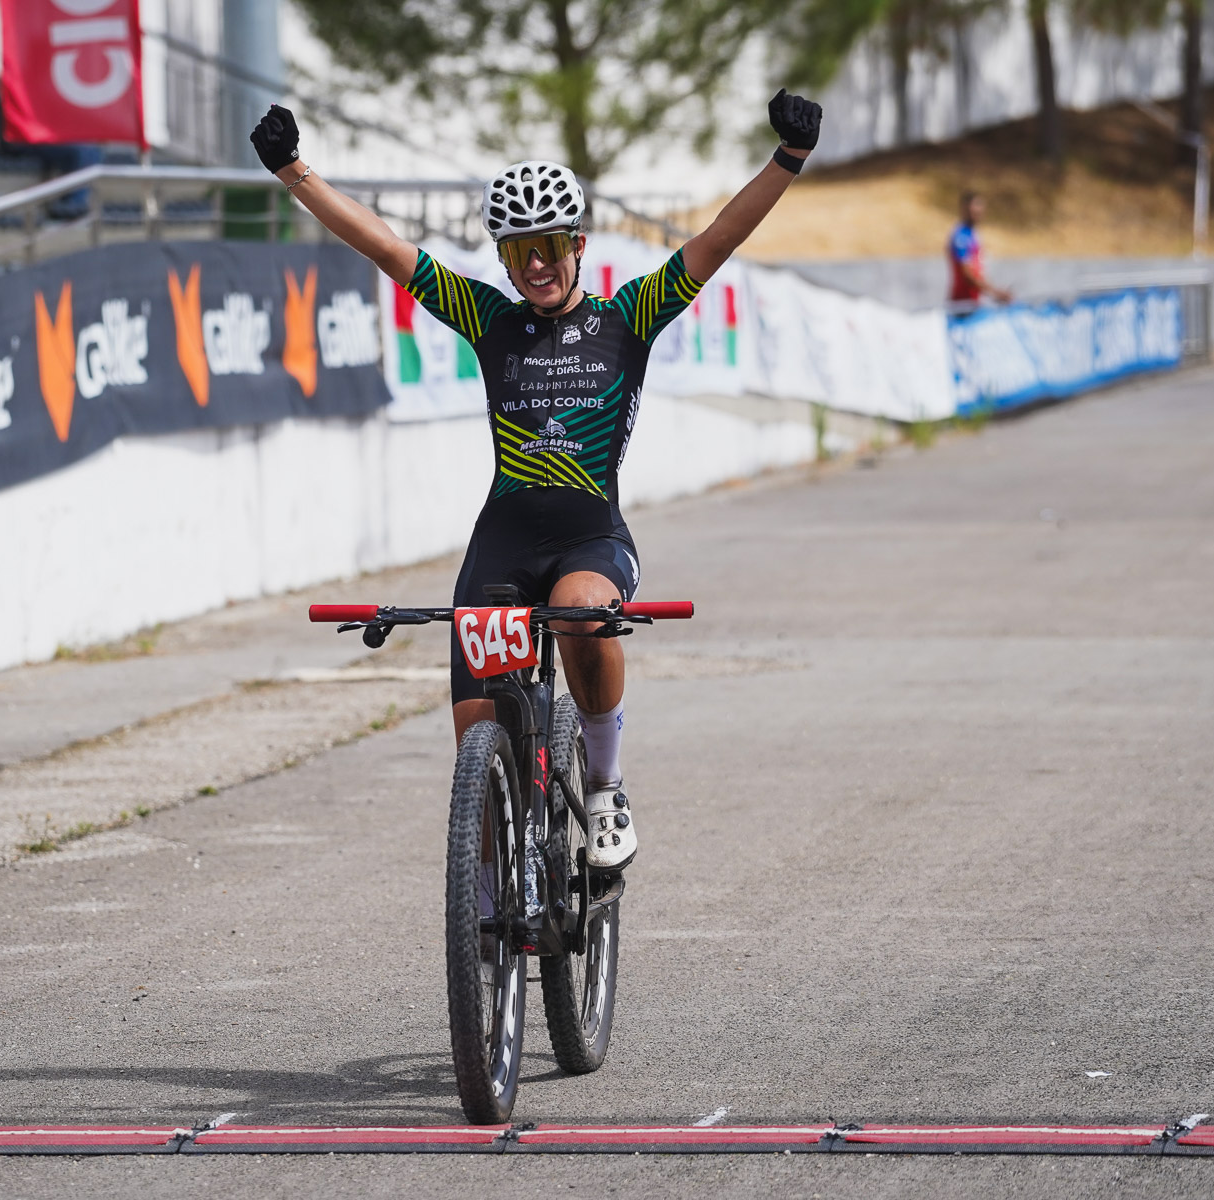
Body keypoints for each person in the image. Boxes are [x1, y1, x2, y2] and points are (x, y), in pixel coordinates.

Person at [250, 90, 822, 872]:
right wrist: (294, 172)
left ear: (579, 243)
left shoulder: (629, 319)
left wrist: (788, 158)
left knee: (585, 613)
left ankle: (606, 784)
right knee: (477, 772)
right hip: (504, 540)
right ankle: (485, 910)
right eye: (520, 251)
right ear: (505, 258)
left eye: (550, 245)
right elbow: (387, 249)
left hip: (591, 536)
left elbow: (716, 241)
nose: (538, 265)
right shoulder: (491, 320)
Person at [947, 190, 1012, 308]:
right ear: (964, 209)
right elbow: (967, 275)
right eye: (974, 209)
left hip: (973, 303)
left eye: (980, 207)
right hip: (963, 305)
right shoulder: (961, 236)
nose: (978, 211)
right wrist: (995, 293)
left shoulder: (972, 234)